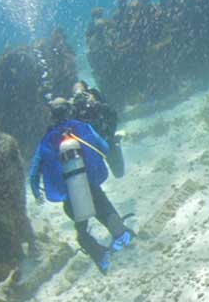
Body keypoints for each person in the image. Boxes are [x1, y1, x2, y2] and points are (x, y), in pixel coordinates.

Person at [29, 98, 132, 273]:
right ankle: (123, 236)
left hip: (69, 195)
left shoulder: (46, 140)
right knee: (105, 211)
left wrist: (36, 193)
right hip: (91, 185)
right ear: (68, 111)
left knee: (81, 228)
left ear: (52, 117)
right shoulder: (82, 128)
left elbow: (33, 174)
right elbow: (104, 149)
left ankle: (100, 256)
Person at [71, 80, 124, 177]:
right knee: (95, 178)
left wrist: (95, 104)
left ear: (88, 92)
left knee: (119, 173)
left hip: (106, 137)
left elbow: (113, 115)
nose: (80, 98)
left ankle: (116, 142)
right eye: (76, 95)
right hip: (89, 145)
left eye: (82, 94)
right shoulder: (74, 109)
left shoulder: (96, 100)